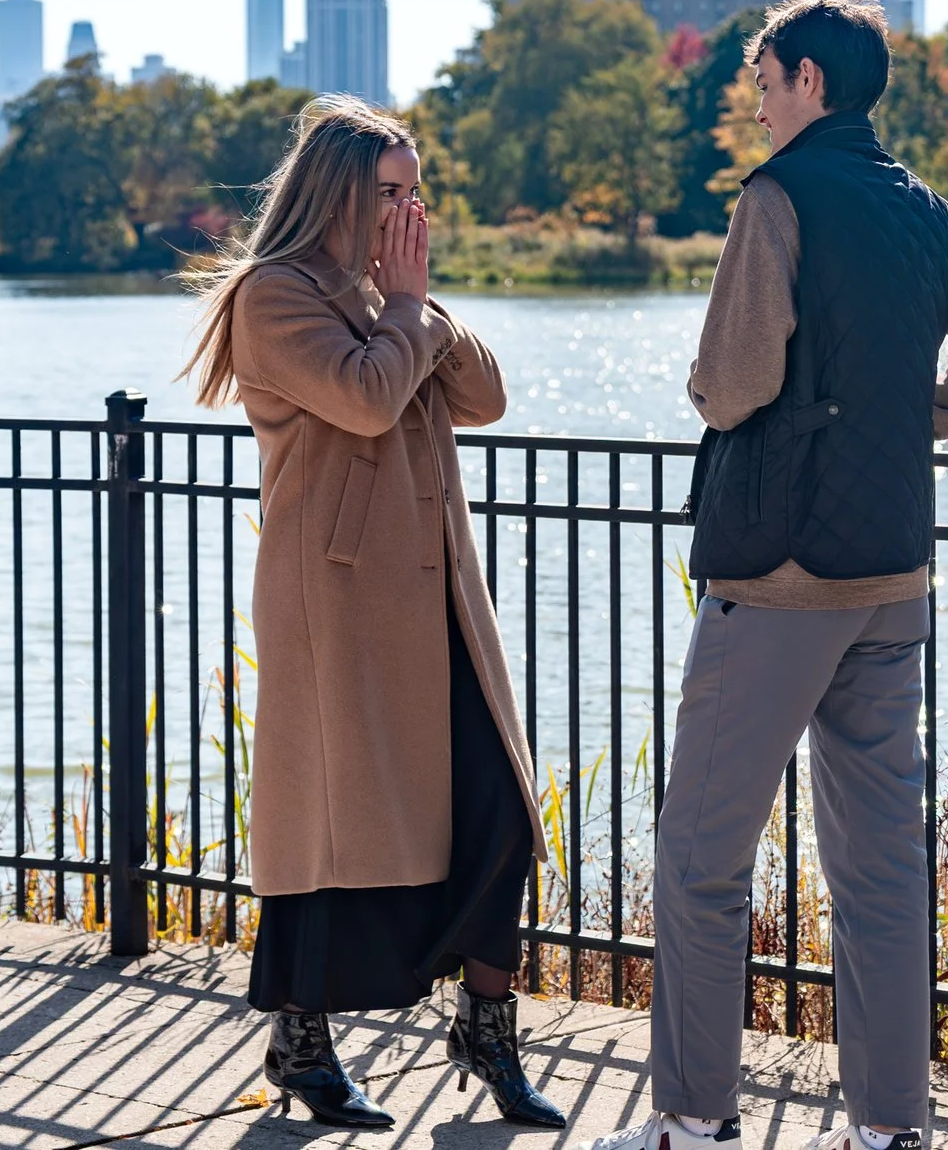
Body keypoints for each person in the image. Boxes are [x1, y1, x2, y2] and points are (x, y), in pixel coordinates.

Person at [578, 0, 948, 1150]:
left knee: (699, 854)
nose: (757, 96)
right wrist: (909, 417)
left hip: (782, 572)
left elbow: (734, 382)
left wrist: (707, 392)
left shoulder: (777, 198)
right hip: (890, 573)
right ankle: (889, 1129)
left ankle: (691, 1116)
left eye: (767, 78)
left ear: (811, 84)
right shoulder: (927, 213)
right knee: (882, 869)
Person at [185, 95, 566, 1132]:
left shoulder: (391, 297)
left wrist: (419, 305)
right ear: (337, 193)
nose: (409, 209)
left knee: (499, 809)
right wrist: (405, 309)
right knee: (332, 830)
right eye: (388, 191)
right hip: (340, 601)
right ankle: (301, 1041)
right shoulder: (276, 296)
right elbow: (362, 397)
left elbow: (481, 397)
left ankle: (486, 1028)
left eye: (414, 190)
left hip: (437, 588)